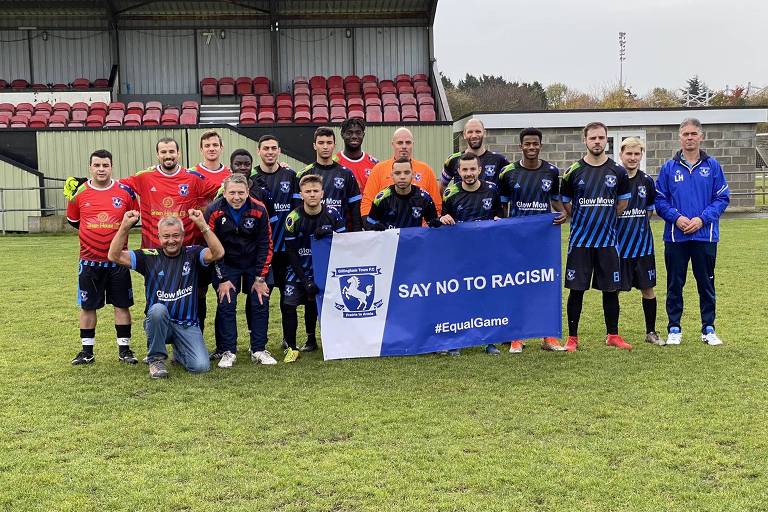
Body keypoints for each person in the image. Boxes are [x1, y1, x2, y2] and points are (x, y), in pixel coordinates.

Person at [107, 210, 225, 379]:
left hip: (187, 324)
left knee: (200, 367)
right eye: (166, 236)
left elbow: (218, 253)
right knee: (157, 310)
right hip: (159, 323)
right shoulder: (149, 257)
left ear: (183, 235)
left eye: (176, 235)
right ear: (159, 236)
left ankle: (180, 350)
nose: (171, 241)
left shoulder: (193, 253)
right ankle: (155, 360)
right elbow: (114, 255)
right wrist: (125, 226)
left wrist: (202, 226)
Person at [655, 118, 730, 346]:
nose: (689, 137)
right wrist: (676, 218)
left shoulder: (713, 166)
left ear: (701, 136)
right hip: (676, 237)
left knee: (706, 283)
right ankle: (674, 328)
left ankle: (708, 328)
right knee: (675, 283)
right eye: (685, 134)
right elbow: (660, 200)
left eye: (693, 134)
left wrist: (702, 219)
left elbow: (722, 198)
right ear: (680, 137)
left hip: (704, 236)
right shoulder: (669, 167)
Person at [560, 122, 632, 353]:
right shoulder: (573, 171)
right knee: (576, 289)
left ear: (607, 140)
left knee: (611, 289)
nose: (597, 142)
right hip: (581, 241)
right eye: (593, 138)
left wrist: (604, 219)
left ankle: (613, 334)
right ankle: (572, 338)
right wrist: (584, 219)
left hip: (608, 241)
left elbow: (622, 203)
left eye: (601, 138)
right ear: (585, 140)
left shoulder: (618, 171)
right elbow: (565, 202)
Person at [497, 127, 567, 353]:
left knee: (545, 286)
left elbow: (555, 202)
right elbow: (504, 207)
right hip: (516, 241)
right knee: (518, 286)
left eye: (535, 143)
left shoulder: (552, 171)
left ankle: (548, 337)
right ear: (520, 146)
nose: (531, 147)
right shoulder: (508, 173)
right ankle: (517, 336)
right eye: (527, 144)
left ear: (540, 145)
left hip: (543, 239)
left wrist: (564, 213)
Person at [66, 149, 139, 365]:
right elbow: (74, 221)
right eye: (97, 165)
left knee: (121, 305)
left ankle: (124, 350)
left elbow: (133, 218)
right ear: (90, 167)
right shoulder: (79, 193)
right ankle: (87, 351)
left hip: (118, 261)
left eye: (105, 165)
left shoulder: (125, 191)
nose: (101, 169)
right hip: (89, 261)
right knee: (88, 307)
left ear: (111, 167)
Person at [205, 174, 275, 367]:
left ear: (247, 192)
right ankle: (229, 351)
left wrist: (261, 277)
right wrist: (223, 278)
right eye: (232, 193)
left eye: (241, 193)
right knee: (226, 303)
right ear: (225, 193)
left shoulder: (259, 209)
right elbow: (212, 247)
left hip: (254, 262)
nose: (237, 197)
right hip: (227, 262)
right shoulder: (214, 210)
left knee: (260, 301)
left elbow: (266, 244)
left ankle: (259, 349)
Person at [440, 153, 503, 356]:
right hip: (459, 256)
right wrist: (445, 218)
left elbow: (500, 215)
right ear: (458, 172)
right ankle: (456, 341)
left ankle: (489, 341)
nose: (469, 173)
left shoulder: (492, 190)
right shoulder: (450, 193)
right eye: (464, 170)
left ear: (480, 170)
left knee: (485, 296)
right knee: (458, 297)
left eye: (472, 169)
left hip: (486, 254)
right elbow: (443, 218)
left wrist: (498, 219)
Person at [284, 175, 346, 355]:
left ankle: (314, 340)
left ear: (322, 193)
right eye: (308, 191)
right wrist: (304, 280)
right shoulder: (293, 218)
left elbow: (345, 243)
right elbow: (291, 252)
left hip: (325, 270)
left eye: (315, 191)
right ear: (301, 194)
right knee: (288, 305)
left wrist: (329, 232)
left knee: (316, 304)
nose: (312, 195)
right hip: (298, 270)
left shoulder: (333, 214)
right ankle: (291, 347)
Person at [616, 137, 664, 346]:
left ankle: (651, 332)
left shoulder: (647, 181)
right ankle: (613, 334)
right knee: (613, 291)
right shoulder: (614, 178)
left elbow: (650, 210)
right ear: (621, 155)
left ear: (641, 156)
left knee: (648, 289)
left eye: (637, 154)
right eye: (629, 153)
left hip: (643, 247)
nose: (633, 158)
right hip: (618, 248)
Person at [362, 127, 442, 216]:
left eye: (408, 143)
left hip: (418, 228)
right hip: (388, 228)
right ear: (393, 144)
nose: (404, 146)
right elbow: (367, 203)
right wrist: (370, 224)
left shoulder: (426, 170)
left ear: (413, 144)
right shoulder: (378, 170)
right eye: (400, 143)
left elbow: (436, 206)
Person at [295, 127, 362, 232]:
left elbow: (355, 210)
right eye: (321, 143)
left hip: (340, 234)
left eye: (329, 143)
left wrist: (357, 235)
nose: (325, 147)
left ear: (334, 146)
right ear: (314, 146)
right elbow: (297, 209)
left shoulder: (346, 174)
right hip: (310, 235)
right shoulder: (303, 174)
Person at [365, 158, 440, 230]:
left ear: (413, 174)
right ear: (392, 175)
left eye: (406, 173)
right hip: (390, 242)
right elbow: (369, 226)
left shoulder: (424, 198)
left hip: (415, 242)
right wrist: (374, 227)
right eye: (397, 173)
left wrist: (440, 221)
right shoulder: (381, 199)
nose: (402, 177)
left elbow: (435, 228)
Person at [442, 118, 510, 188]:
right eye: (470, 132)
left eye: (478, 131)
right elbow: (442, 186)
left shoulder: (500, 160)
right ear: (464, 135)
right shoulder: (453, 160)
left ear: (484, 133)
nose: (474, 135)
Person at [335, 117, 379, 191]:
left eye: (358, 133)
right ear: (342, 135)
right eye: (349, 133)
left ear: (363, 135)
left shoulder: (374, 164)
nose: (354, 136)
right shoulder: (334, 162)